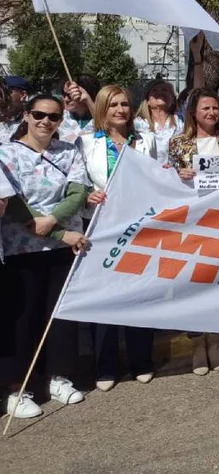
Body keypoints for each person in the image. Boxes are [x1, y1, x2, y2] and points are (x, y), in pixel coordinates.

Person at [0, 94, 90, 419]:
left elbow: (78, 190)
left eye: (53, 117)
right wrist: (55, 230)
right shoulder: (6, 154)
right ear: (26, 115)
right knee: (22, 318)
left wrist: (52, 222)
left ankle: (59, 377)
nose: (45, 122)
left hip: (64, 247)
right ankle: (17, 388)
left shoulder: (67, 151)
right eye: (39, 114)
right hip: (21, 248)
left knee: (60, 315)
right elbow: (11, 203)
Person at [79, 86, 158, 392]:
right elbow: (78, 182)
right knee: (105, 298)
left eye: (125, 104)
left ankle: (141, 361)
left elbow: (156, 177)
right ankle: (106, 365)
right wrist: (88, 194)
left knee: (139, 296)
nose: (121, 110)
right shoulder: (86, 143)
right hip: (102, 229)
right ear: (102, 108)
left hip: (140, 228)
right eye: (113, 105)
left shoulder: (145, 140)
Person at [167, 88, 219, 374]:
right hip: (193, 221)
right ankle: (197, 343)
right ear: (193, 113)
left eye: (215, 108)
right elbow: (167, 183)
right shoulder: (178, 143)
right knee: (194, 283)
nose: (212, 113)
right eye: (205, 109)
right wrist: (177, 176)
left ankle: (215, 341)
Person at [134, 79, 183, 165]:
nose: (160, 93)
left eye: (165, 90)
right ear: (147, 100)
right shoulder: (137, 124)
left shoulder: (181, 122)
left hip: (174, 175)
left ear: (172, 98)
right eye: (154, 91)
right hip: (146, 173)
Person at [58, 75, 101, 143]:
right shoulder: (58, 118)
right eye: (64, 95)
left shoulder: (102, 118)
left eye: (70, 96)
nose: (66, 99)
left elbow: (107, 129)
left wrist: (87, 100)